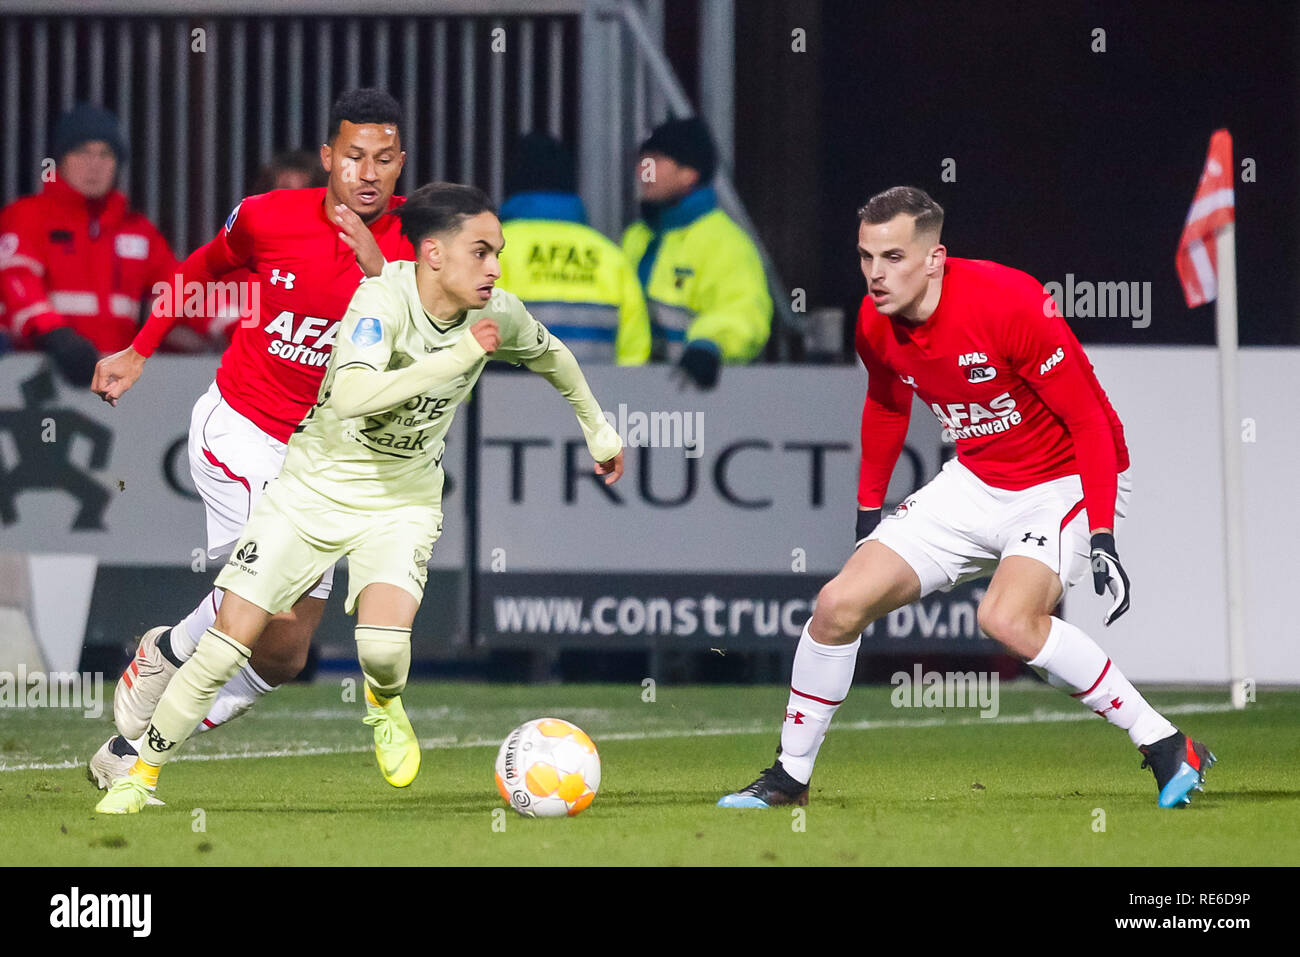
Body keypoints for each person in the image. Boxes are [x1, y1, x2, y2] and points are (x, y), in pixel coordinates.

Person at [94, 182, 625, 813]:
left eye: (497, 253)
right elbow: (352, 397)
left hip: (402, 500)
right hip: (314, 487)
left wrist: (597, 427)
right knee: (231, 639)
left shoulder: (498, 313)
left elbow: (551, 353)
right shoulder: (379, 301)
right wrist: (457, 355)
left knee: (374, 650)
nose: (495, 268)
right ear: (434, 253)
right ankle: (139, 772)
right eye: (481, 252)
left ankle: (383, 701)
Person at [719, 186, 1216, 811]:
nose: (875, 274)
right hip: (976, 479)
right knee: (837, 605)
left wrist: (1101, 534)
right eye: (866, 257)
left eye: (893, 257)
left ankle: (1165, 743)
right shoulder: (874, 320)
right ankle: (789, 778)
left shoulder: (1009, 302)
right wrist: (868, 511)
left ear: (935, 258)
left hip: (1062, 480)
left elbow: (1088, 421)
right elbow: (886, 404)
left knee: (1006, 619)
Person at [85, 89, 414, 790]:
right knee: (269, 591)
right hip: (242, 428)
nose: (368, 172)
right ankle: (168, 660)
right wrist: (139, 349)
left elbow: (423, 338)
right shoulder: (270, 217)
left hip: (317, 459)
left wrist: (382, 272)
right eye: (354, 155)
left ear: (400, 164)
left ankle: (135, 739)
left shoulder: (413, 243)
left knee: (284, 654)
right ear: (328, 157)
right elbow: (199, 269)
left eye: (383, 159)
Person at [0, 104, 180, 386]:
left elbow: (186, 293)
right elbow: (17, 282)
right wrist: (55, 335)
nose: (94, 164)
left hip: (117, 390)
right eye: (82, 152)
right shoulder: (27, 216)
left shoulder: (138, 231)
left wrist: (240, 327)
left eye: (105, 154)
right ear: (60, 160)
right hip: (37, 382)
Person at [621, 116, 771, 388]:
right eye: (642, 160)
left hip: (688, 392)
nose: (643, 170)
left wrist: (709, 343)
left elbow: (745, 311)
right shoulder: (636, 238)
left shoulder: (724, 243)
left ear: (690, 174)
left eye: (655, 160)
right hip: (628, 391)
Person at [498, 132, 650, 364]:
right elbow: (634, 352)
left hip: (509, 388)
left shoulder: (494, 251)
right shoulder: (610, 256)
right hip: (596, 388)